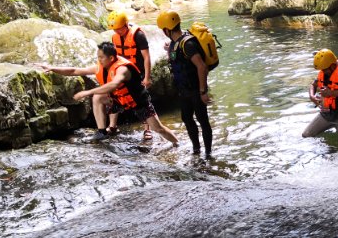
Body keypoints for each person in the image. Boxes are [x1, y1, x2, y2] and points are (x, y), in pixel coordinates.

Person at [39, 41, 178, 145]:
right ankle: (101, 132)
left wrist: (87, 92)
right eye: (98, 57)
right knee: (98, 97)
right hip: (118, 101)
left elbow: (114, 84)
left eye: (101, 57)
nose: (99, 60)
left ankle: (176, 142)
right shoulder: (101, 67)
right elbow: (75, 71)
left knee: (158, 128)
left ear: (111, 58)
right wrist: (52, 68)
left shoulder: (122, 69)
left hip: (137, 102)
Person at [157, 9, 213, 157]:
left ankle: (208, 153)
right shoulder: (175, 43)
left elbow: (202, 67)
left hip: (195, 89)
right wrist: (168, 49)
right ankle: (196, 149)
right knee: (186, 118)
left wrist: (203, 91)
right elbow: (178, 59)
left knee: (203, 120)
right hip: (183, 90)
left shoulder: (188, 44)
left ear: (166, 30)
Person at [107, 10, 153, 140]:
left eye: (119, 29)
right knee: (114, 96)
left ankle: (147, 129)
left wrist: (147, 77)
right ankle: (112, 126)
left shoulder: (138, 35)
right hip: (123, 72)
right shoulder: (114, 37)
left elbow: (146, 57)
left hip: (138, 72)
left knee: (142, 101)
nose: (117, 32)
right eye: (114, 29)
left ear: (126, 24)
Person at [302, 48, 338, 138]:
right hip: (326, 115)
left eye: (324, 69)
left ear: (332, 66)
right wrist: (312, 96)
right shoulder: (324, 71)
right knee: (306, 135)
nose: (323, 72)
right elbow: (313, 85)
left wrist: (331, 93)